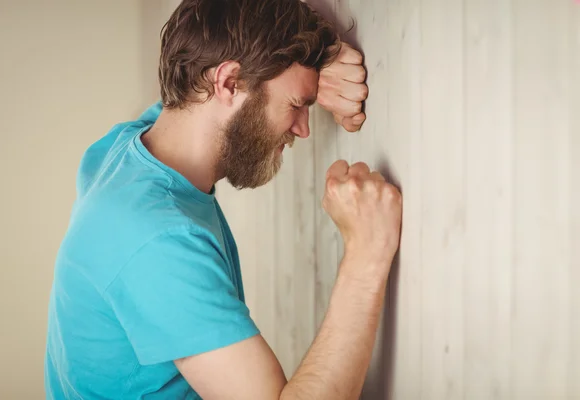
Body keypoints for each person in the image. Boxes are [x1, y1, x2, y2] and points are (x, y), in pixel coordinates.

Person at [44, 0, 402, 398]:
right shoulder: (156, 240)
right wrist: (367, 250)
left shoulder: (129, 149)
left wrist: (322, 54)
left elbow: (229, 26)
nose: (303, 129)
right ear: (229, 83)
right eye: (297, 106)